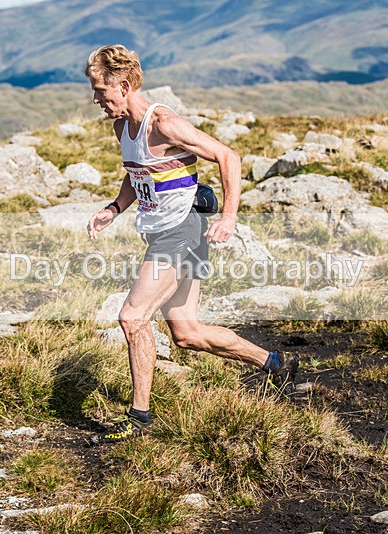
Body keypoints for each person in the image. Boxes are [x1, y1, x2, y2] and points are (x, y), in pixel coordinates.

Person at [84, 45, 298, 446]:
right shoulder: (121, 129)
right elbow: (137, 173)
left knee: (132, 317)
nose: (95, 99)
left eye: (100, 90)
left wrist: (229, 217)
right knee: (187, 333)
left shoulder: (163, 123)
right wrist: (114, 208)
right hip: (161, 231)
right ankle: (274, 363)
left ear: (124, 85)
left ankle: (139, 417)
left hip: (183, 230)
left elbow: (227, 156)